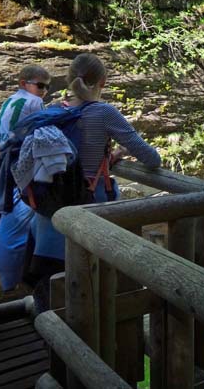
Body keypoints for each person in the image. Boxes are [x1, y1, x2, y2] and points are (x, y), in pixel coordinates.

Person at [29, 53, 161, 309]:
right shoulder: (103, 112)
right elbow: (151, 158)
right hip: (90, 210)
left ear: (69, 79)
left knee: (51, 287)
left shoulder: (53, 110)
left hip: (49, 209)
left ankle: (51, 337)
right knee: (89, 288)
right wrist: (117, 155)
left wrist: (105, 158)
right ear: (102, 82)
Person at [0, 64, 51, 292]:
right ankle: (13, 283)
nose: (43, 91)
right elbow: (41, 131)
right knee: (18, 216)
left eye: (46, 87)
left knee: (5, 213)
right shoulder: (34, 102)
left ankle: (7, 282)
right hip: (14, 159)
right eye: (40, 86)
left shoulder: (10, 99)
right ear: (23, 83)